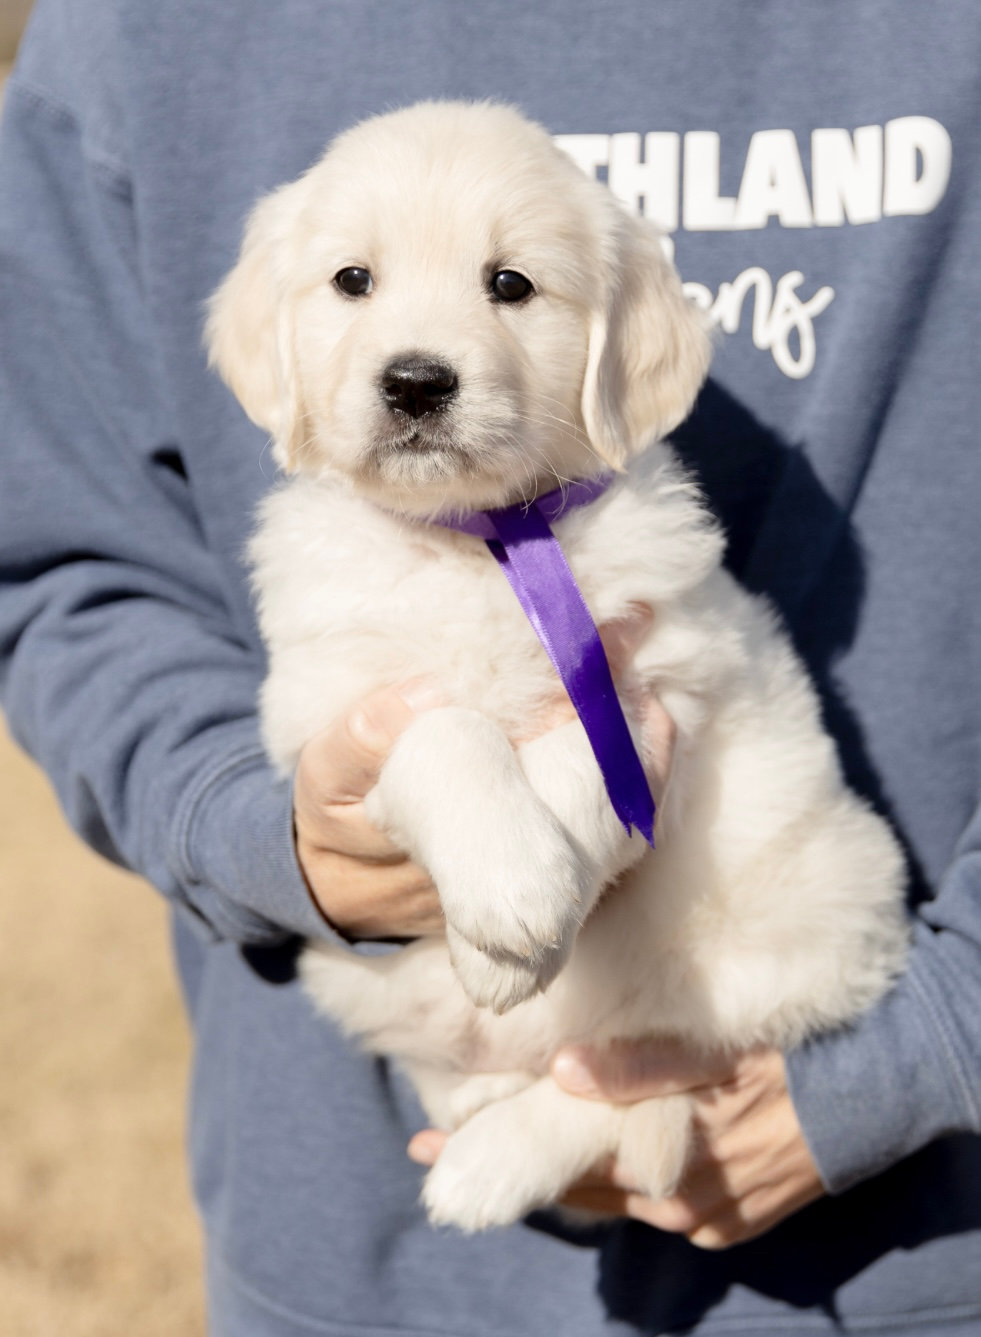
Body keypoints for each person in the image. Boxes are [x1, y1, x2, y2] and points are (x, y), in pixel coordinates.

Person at [1, 1, 978, 1334]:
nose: (420, 356)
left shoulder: (633, 539)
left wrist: (918, 1051)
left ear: (607, 349)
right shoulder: (132, 40)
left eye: (507, 286)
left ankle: (582, 1104)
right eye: (351, 284)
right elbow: (76, 572)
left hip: (878, 1235)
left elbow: (667, 725)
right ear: (279, 335)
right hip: (349, 1257)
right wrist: (272, 831)